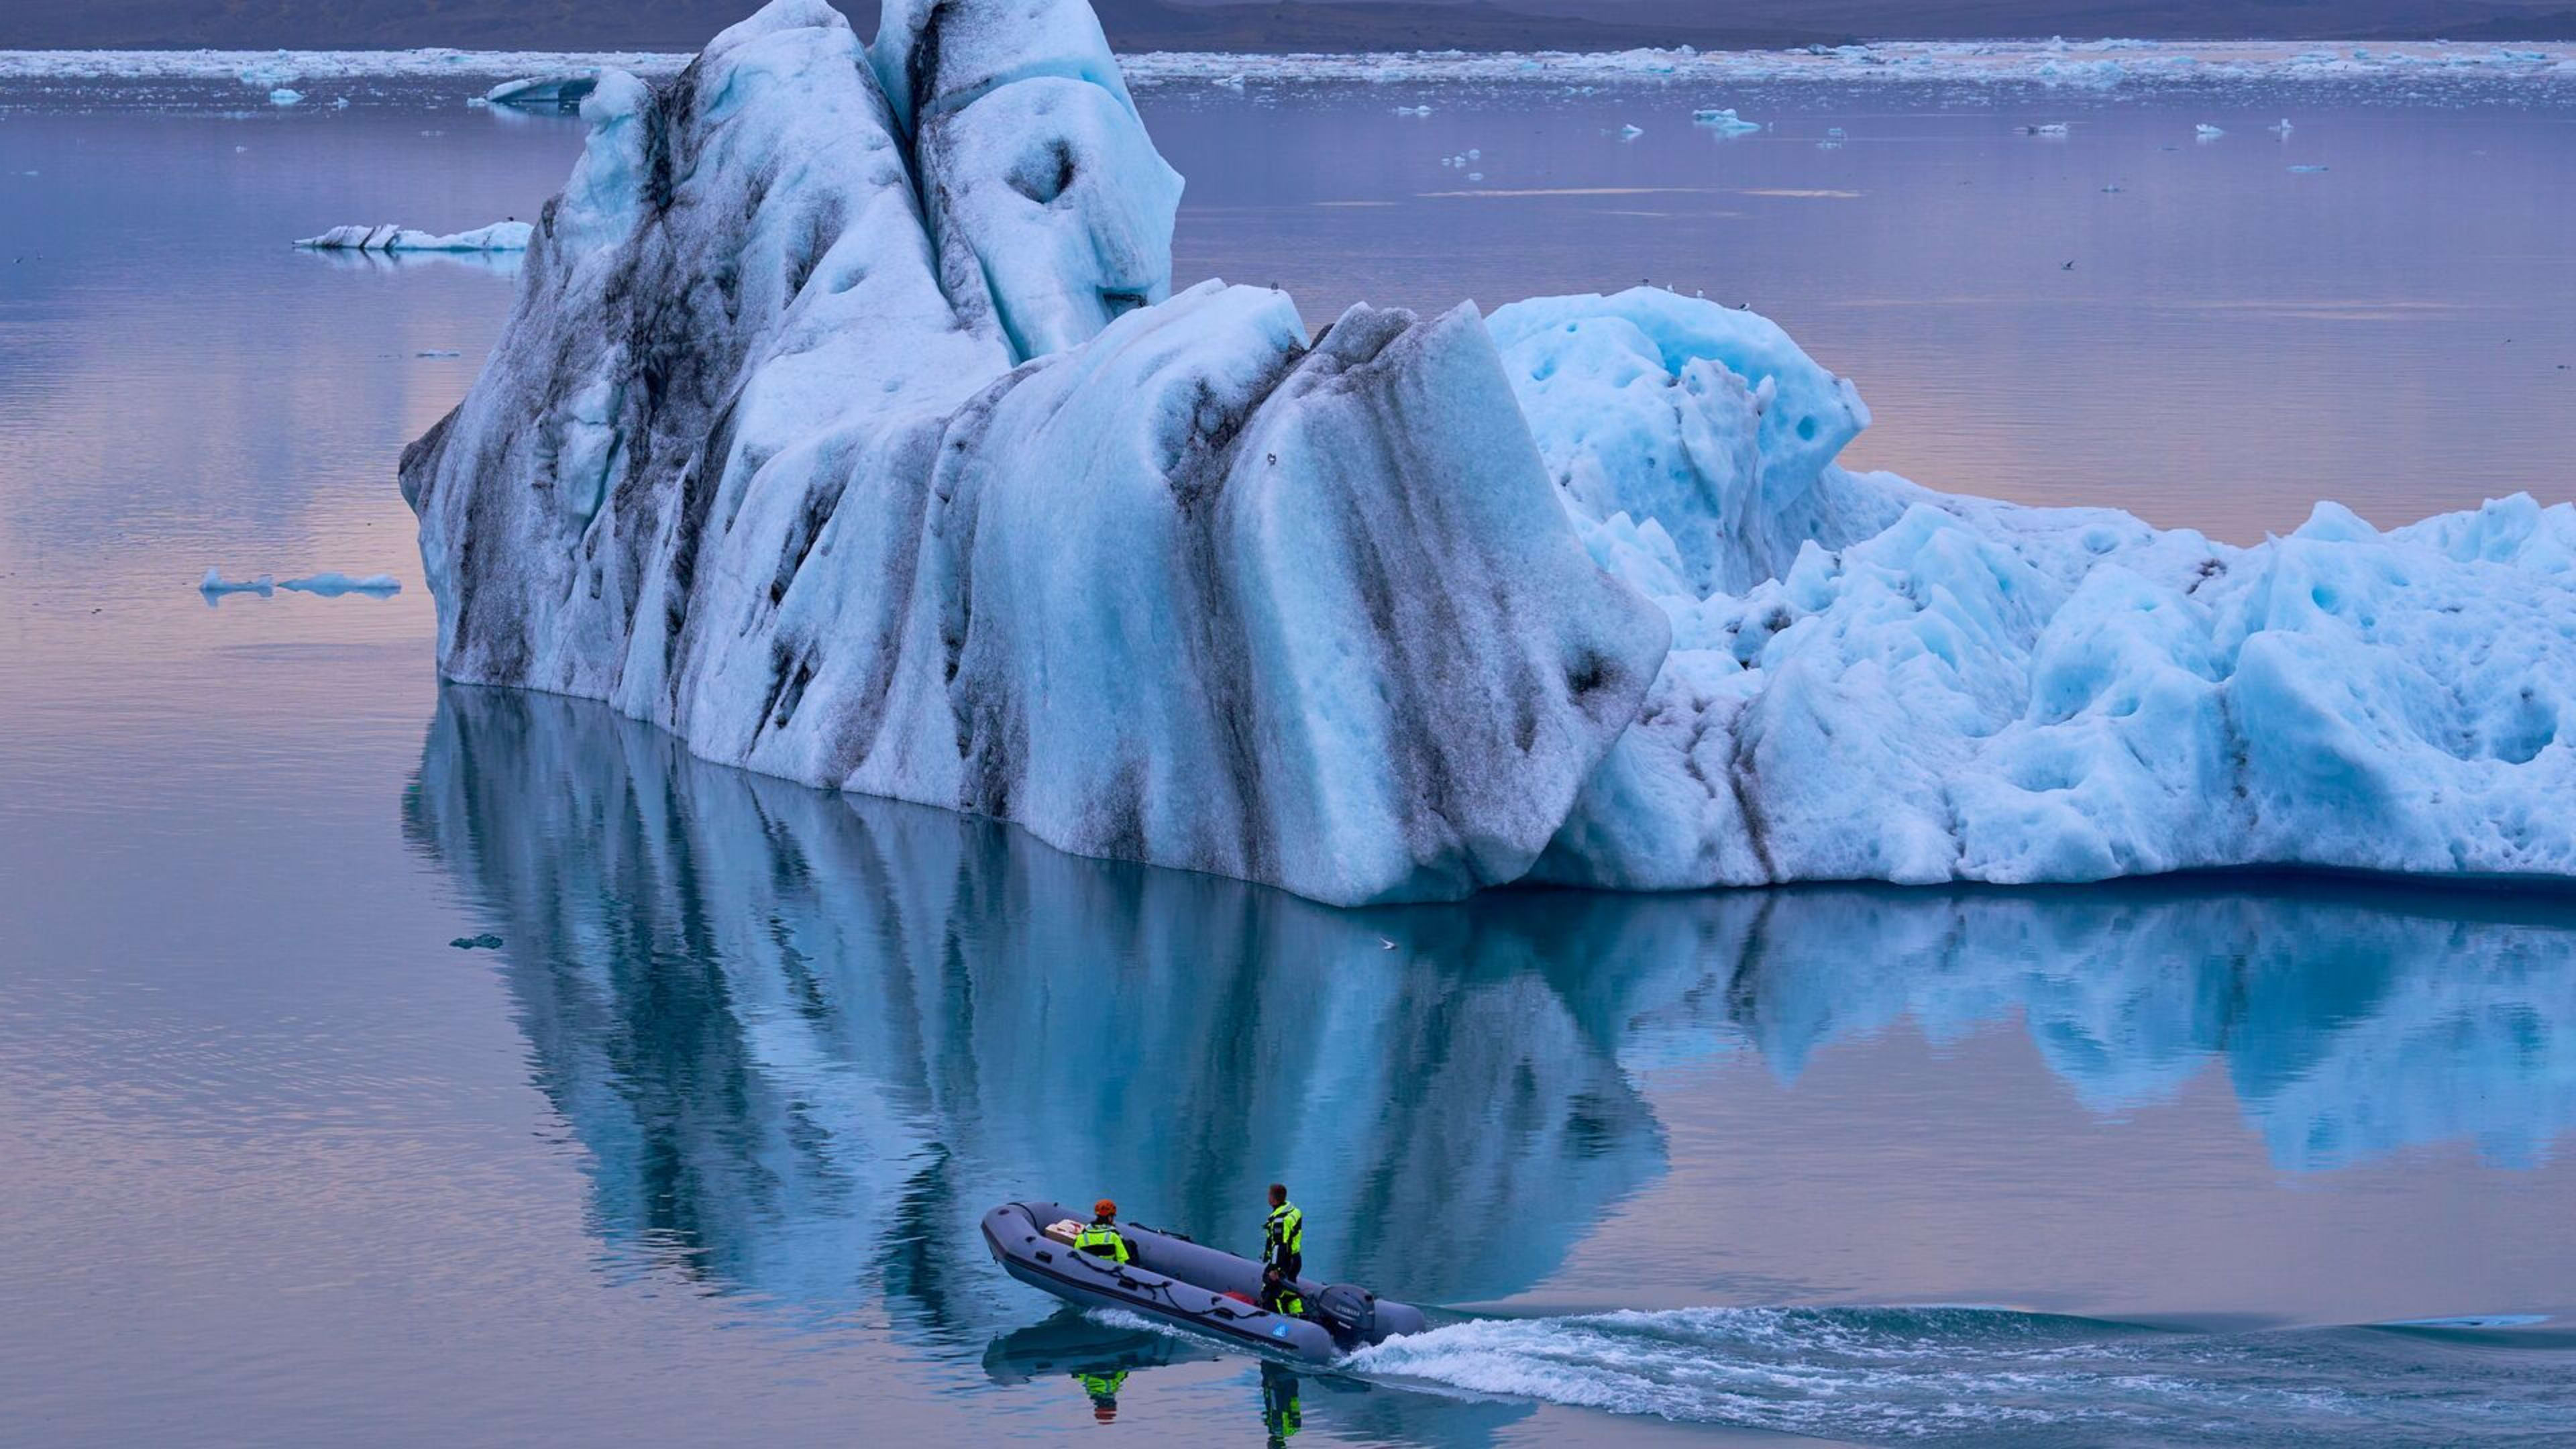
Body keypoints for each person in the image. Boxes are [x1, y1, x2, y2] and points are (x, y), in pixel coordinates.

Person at [1259, 1183, 1303, 1316]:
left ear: (1273, 1199)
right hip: (1295, 1259)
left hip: (1284, 1261)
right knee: (1291, 1292)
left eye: (1269, 1195)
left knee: (1271, 1291)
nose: (1268, 1197)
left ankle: (1278, 1322)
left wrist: (1274, 1268)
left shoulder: (1280, 1221)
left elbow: (1279, 1246)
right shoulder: (1294, 1211)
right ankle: (1299, 1315)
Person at [1073, 1198, 1131, 1265]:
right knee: (1131, 1244)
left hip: (1087, 1266)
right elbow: (1123, 1260)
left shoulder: (1082, 1237)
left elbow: (1076, 1253)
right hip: (1109, 1268)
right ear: (1109, 1217)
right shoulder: (1114, 1236)